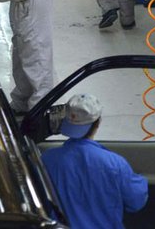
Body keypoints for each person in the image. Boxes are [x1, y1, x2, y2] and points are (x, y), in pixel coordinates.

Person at [41, 94, 149, 228]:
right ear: (98, 122)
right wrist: (140, 180)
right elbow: (136, 202)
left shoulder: (46, 159)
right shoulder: (115, 164)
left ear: (67, 121)